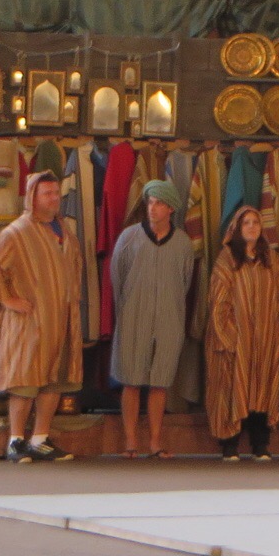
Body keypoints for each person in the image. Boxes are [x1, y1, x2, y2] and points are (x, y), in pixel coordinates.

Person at [0, 171, 83, 464]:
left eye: (56, 193)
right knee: (24, 381)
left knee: (53, 380)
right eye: (47, 193)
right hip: (29, 321)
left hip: (59, 319)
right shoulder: (17, 232)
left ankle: (40, 439)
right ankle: (16, 440)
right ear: (32, 197)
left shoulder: (63, 230)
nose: (54, 198)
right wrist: (7, 299)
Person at [108, 177, 194, 458]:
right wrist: (129, 309)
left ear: (171, 208)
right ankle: (131, 441)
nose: (153, 208)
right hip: (134, 315)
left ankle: (156, 442)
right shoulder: (129, 238)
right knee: (131, 379)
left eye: (159, 204)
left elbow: (185, 282)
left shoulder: (182, 243)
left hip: (169, 318)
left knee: (160, 381)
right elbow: (117, 278)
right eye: (150, 202)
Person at [205, 205, 279, 462]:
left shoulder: (271, 259)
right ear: (237, 228)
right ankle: (229, 443)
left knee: (263, 389)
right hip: (235, 339)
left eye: (256, 222)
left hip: (265, 338)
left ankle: (260, 443)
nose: (252, 227)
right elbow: (218, 301)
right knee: (231, 388)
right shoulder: (226, 259)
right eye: (246, 223)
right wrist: (230, 336)